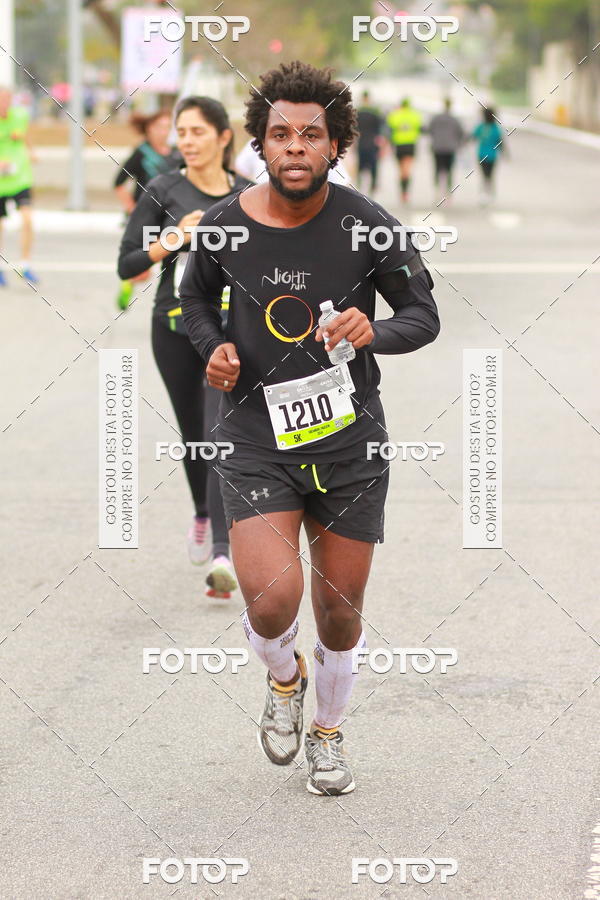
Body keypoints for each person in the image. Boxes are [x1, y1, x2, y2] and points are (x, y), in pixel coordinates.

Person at [179, 61, 440, 795]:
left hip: (349, 445)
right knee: (269, 599)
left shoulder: (367, 224)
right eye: (281, 134)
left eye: (312, 135)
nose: (296, 147)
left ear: (336, 144)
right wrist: (214, 348)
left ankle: (329, 734)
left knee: (340, 612)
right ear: (261, 144)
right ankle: (284, 679)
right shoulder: (227, 226)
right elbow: (194, 302)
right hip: (256, 437)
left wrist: (372, 332)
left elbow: (423, 317)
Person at [118, 97, 252, 597]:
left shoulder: (248, 193)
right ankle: (202, 510)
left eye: (198, 132)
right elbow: (128, 264)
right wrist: (172, 239)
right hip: (173, 329)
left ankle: (223, 553)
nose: (188, 141)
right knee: (195, 436)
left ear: (222, 137)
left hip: (229, 335)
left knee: (220, 433)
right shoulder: (163, 188)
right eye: (182, 132)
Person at [113, 109, 180, 310]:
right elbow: (118, 183)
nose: (164, 131)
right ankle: (128, 282)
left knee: (174, 261)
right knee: (142, 269)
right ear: (149, 129)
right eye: (159, 127)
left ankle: (174, 303)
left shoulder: (178, 154)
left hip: (170, 218)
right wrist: (132, 208)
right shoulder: (141, 153)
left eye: (167, 127)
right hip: (146, 218)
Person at [0, 87, 37, 285]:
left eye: (7, 100)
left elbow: (24, 135)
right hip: (0, 181)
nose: (4, 104)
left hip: (19, 176)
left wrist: (31, 151)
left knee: (27, 219)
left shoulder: (20, 115)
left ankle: (25, 264)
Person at [386, 97, 422, 204]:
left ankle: (402, 192)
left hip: (398, 144)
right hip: (410, 144)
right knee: (407, 169)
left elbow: (390, 127)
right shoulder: (415, 115)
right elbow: (420, 127)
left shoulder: (395, 114)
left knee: (401, 170)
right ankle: (405, 192)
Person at [428, 98, 464, 197]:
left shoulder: (436, 118)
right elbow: (460, 133)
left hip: (438, 147)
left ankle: (437, 190)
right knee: (449, 170)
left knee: (437, 168)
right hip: (450, 148)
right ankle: (448, 191)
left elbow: (430, 130)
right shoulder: (455, 119)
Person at [472, 107, 504, 205]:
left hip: (482, 155)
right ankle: (490, 193)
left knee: (484, 174)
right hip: (492, 155)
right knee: (490, 175)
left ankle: (484, 194)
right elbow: (500, 142)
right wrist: (504, 153)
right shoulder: (495, 128)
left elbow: (473, 137)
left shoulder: (481, 127)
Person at [356, 90, 384, 194]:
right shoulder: (375, 112)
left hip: (362, 142)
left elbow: (354, 129)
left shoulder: (358, 112)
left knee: (361, 165)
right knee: (373, 165)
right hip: (372, 143)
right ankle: (373, 185)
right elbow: (380, 130)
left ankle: (359, 185)